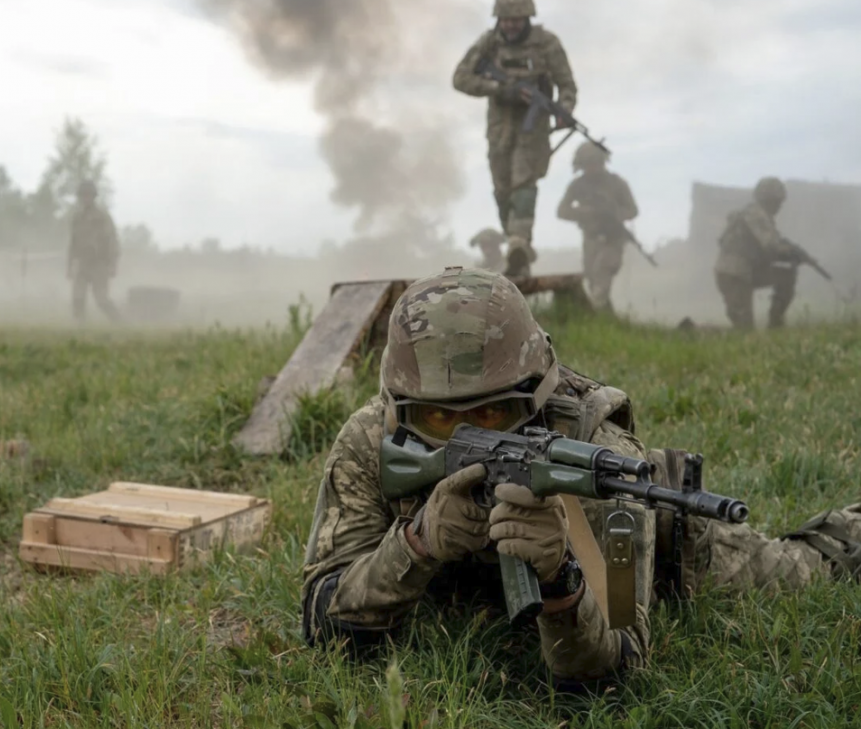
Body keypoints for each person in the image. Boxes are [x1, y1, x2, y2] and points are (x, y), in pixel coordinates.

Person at [301, 266, 861, 682]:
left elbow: (618, 666)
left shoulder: (591, 451)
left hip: (664, 543)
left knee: (805, 567)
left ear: (536, 397)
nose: (468, 434)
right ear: (399, 409)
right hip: (454, 572)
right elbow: (322, 616)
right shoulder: (371, 442)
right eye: (440, 419)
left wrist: (558, 577)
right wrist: (418, 543)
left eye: (494, 413)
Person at [453, 0, 577, 278]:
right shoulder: (489, 44)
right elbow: (460, 78)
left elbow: (567, 85)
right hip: (499, 131)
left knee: (524, 183)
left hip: (532, 131)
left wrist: (564, 109)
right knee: (502, 190)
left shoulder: (547, 44)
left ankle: (519, 243)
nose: (510, 25)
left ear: (528, 17)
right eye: (506, 19)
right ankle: (516, 250)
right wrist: (499, 89)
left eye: (517, 19)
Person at [556, 142, 639, 310]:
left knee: (602, 276)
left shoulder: (617, 183)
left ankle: (597, 314)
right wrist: (585, 212)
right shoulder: (578, 185)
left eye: (595, 162)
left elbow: (632, 210)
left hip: (613, 239)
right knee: (593, 281)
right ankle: (606, 317)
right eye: (587, 164)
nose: (592, 168)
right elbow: (562, 211)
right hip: (591, 239)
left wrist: (614, 213)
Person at [713, 177, 800, 330]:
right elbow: (771, 246)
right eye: (777, 201)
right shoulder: (756, 215)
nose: (779, 206)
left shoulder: (753, 215)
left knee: (786, 275)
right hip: (735, 275)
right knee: (745, 330)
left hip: (743, 272)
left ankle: (776, 324)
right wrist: (790, 252)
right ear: (769, 200)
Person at [67, 180, 121, 322]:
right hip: (83, 263)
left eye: (88, 195)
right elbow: (73, 243)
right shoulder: (77, 218)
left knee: (101, 299)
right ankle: (80, 327)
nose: (85, 199)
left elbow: (112, 241)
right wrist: (69, 266)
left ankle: (120, 323)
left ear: (93, 197)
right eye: (82, 196)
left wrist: (113, 264)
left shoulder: (102, 217)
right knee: (77, 298)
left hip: (99, 263)